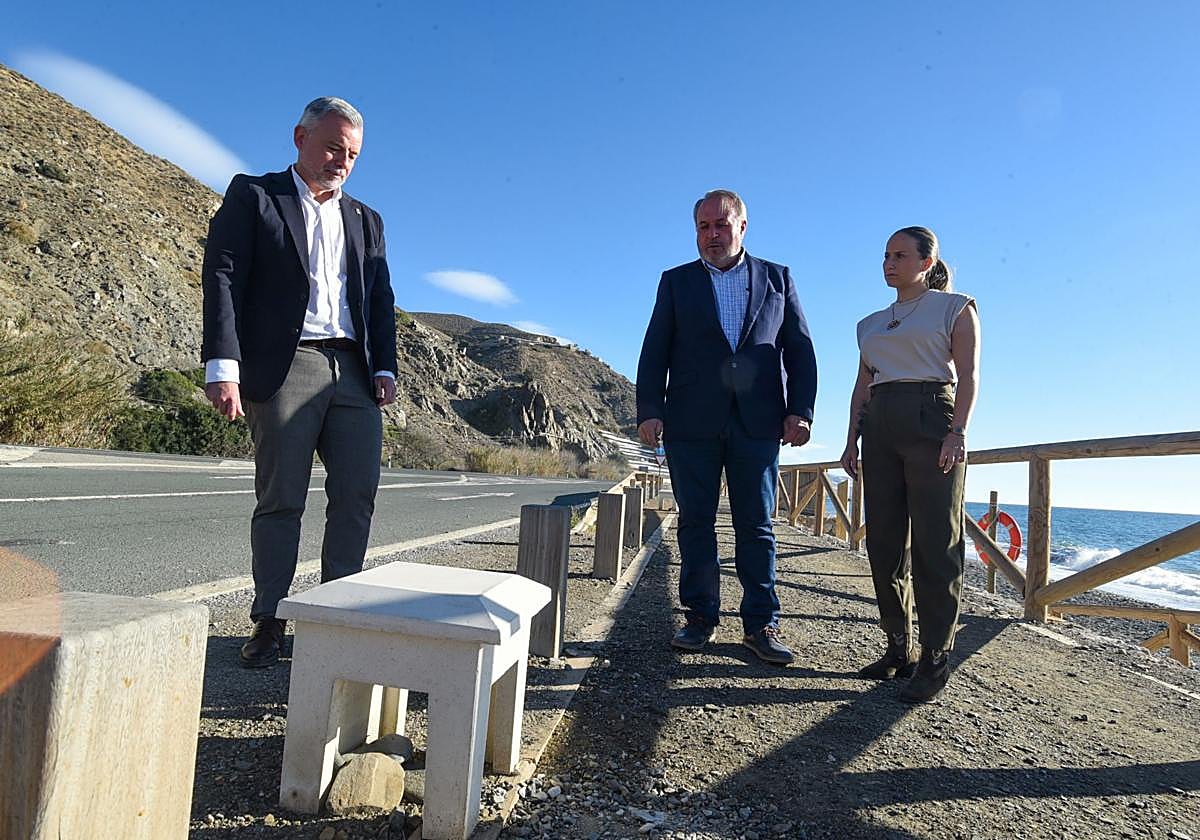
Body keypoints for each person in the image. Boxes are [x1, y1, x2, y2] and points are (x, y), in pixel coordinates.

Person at [201, 97, 398, 668]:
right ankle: (269, 620)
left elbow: (380, 299)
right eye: (334, 146)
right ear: (300, 137)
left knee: (357, 494)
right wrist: (223, 366)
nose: (342, 161)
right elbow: (223, 277)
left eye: (353, 154)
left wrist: (383, 365)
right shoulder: (255, 196)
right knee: (282, 498)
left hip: (354, 370)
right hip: (288, 365)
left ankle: (339, 617)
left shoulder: (367, 219)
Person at [636, 189, 817, 665]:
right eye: (702, 227)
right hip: (691, 422)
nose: (711, 235)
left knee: (756, 526)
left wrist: (801, 409)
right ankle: (699, 619)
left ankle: (761, 624)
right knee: (695, 523)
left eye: (720, 225)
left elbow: (799, 348)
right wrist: (650, 410)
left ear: (741, 226)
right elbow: (655, 349)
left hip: (758, 423)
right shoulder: (675, 282)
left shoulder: (777, 278)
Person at [840, 226, 980, 702]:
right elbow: (862, 385)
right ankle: (896, 647)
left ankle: (935, 658)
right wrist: (850, 440)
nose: (888, 262)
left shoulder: (956, 307)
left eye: (900, 255)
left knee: (935, 544)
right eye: (885, 255)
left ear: (926, 261)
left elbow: (969, 376)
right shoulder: (869, 324)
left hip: (931, 418)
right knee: (883, 542)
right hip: (880, 425)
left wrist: (957, 433)